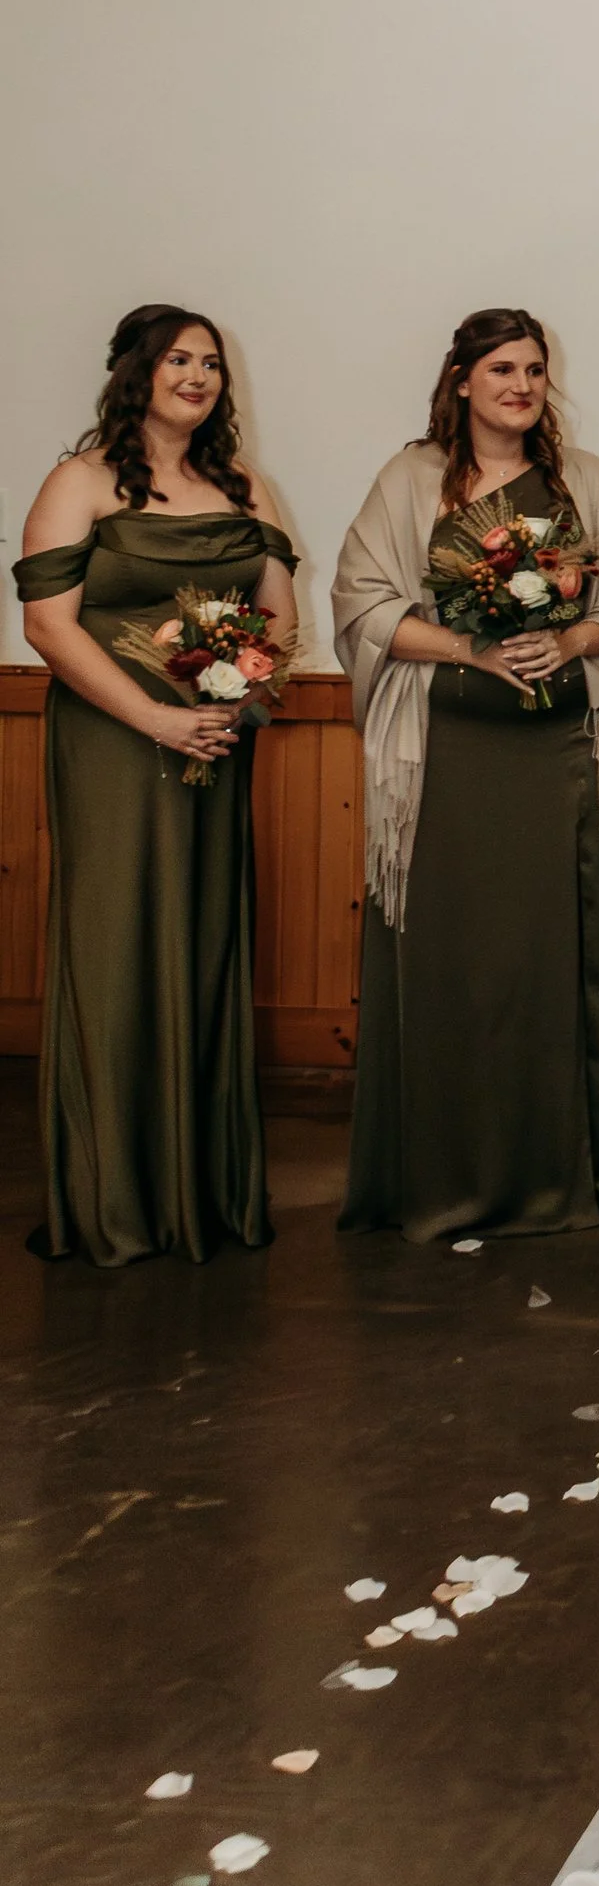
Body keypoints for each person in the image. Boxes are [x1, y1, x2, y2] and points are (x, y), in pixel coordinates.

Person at [333, 309, 599, 1243]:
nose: (521, 385)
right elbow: (363, 603)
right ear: (462, 380)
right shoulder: (409, 481)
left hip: (558, 756)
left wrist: (572, 636)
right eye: (502, 368)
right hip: (444, 756)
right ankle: (432, 1176)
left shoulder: (587, 485)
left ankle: (561, 1174)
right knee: (451, 960)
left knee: (545, 963)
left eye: (535, 370)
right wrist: (473, 652)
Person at [12, 306, 298, 1267]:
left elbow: (279, 614)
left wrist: (237, 691)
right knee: (118, 939)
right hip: (113, 743)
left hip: (218, 737)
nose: (198, 376)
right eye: (179, 358)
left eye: (211, 363)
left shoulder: (244, 484)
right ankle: (116, 1199)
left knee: (205, 935)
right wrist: (158, 718)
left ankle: (203, 1195)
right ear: (137, 370)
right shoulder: (80, 480)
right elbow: (50, 629)